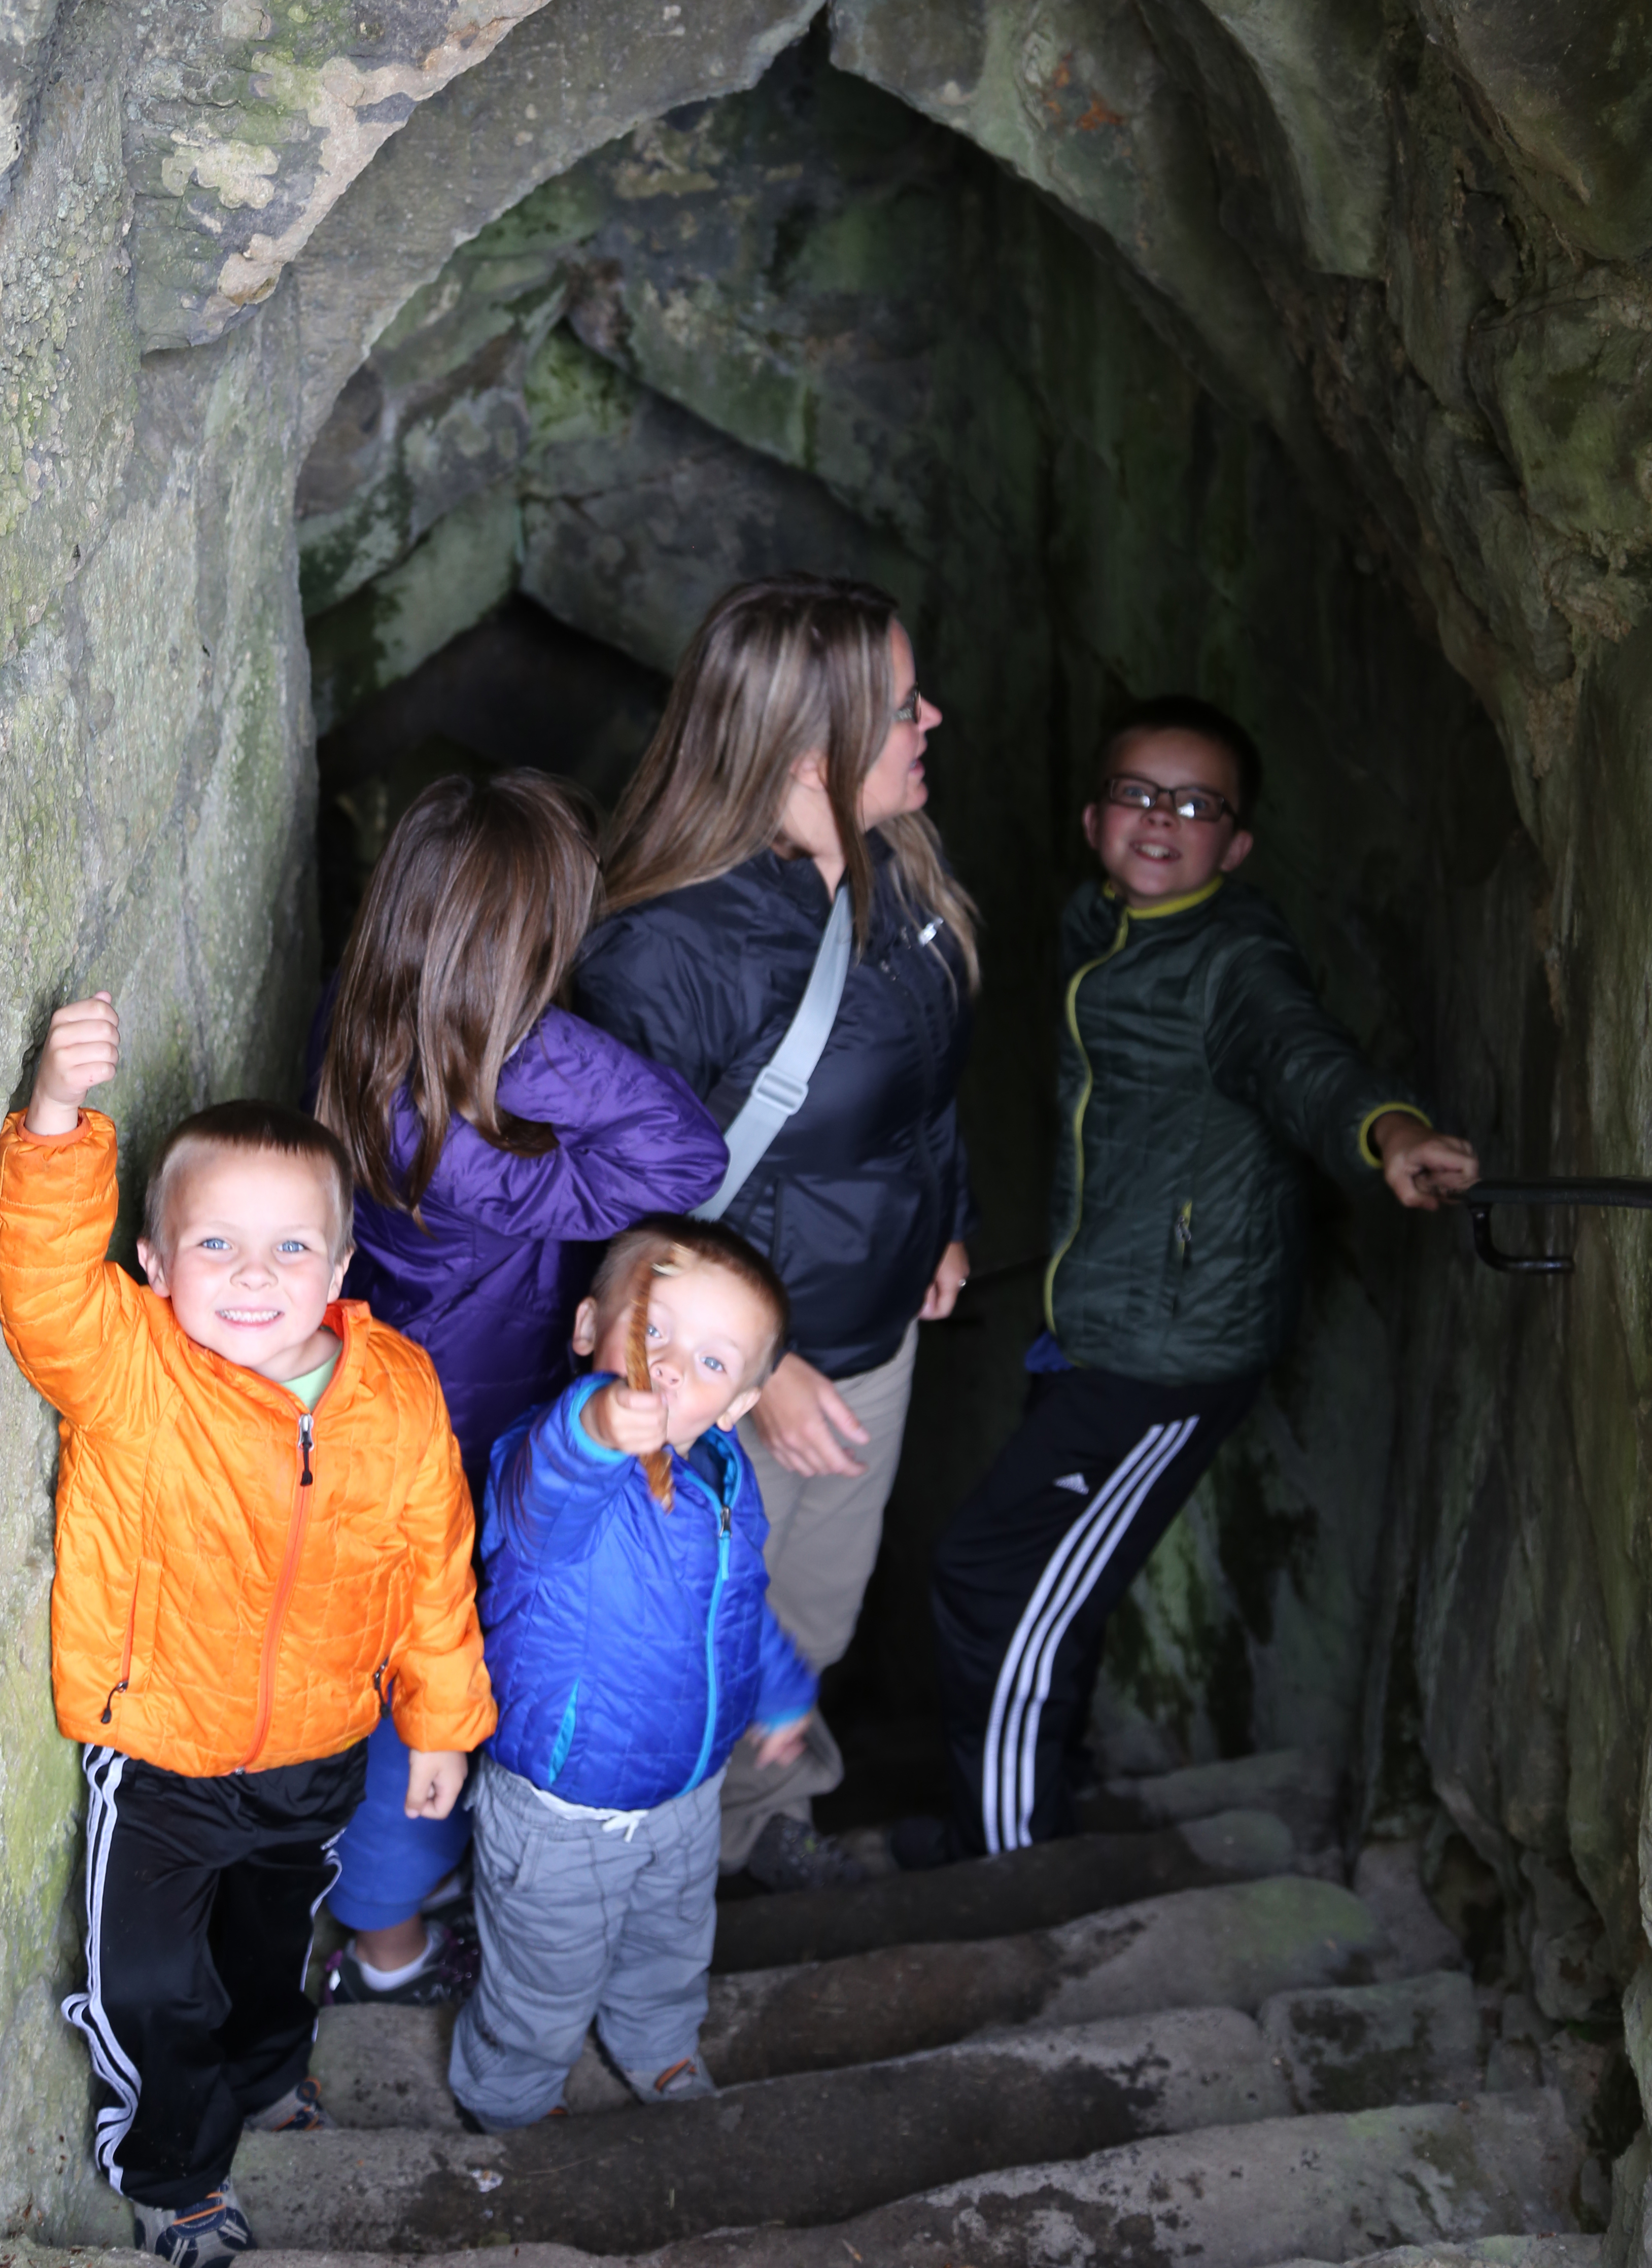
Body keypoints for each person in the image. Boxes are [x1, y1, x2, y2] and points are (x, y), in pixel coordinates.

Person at [906, 694, 1481, 1867]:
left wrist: (1390, 1132)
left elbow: (1300, 1054)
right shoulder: (1097, 925)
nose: (1162, 820)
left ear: (1238, 843)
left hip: (1169, 1349)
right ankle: (1029, 1803)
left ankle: (1008, 1862)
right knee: (1039, 1583)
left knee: (998, 1586)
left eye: (1196, 804)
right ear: (1091, 818)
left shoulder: (1229, 961)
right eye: (1138, 793)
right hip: (1099, 1319)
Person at [0, 994, 494, 2267]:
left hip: (318, 1752)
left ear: (337, 1271)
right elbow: (45, 1281)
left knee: (273, 1960)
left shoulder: (397, 1396)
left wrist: (440, 1721)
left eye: (287, 1251)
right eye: (214, 1245)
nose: (253, 1278)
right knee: (152, 1986)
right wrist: (57, 1115)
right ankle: (175, 2169)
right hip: (157, 1758)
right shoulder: (133, 1367)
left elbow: (433, 1564)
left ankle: (273, 2071)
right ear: (154, 1263)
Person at [576, 573, 978, 1890]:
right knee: (700, 1635)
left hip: (876, 1337)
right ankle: (654, 1887)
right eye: (905, 705)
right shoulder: (668, 951)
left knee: (811, 1621)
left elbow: (920, 1086)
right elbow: (621, 1216)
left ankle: (756, 1842)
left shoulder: (893, 864)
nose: (935, 720)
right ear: (812, 754)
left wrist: (948, 1219)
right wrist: (773, 1369)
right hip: (738, 1382)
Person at [308, 771, 727, 2005]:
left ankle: (391, 1904)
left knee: (412, 1676)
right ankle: (386, 1940)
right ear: (527, 949)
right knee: (430, 1691)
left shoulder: (363, 1015)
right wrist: (528, 1035)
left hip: (395, 1398)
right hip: (463, 1434)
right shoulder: (461, 1144)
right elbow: (681, 1153)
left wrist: (487, 1021)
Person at [449, 1217, 815, 2127]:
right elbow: (547, 1498)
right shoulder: (548, 1464)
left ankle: (656, 2045)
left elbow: (734, 1605)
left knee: (672, 1942)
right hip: (562, 1812)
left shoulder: (726, 1474)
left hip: (688, 1793)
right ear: (585, 1330)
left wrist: (782, 1688)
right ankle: (506, 2099)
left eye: (714, 1361)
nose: (673, 1366)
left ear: (738, 1405)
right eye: (651, 1330)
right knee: (542, 1975)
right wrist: (595, 1428)